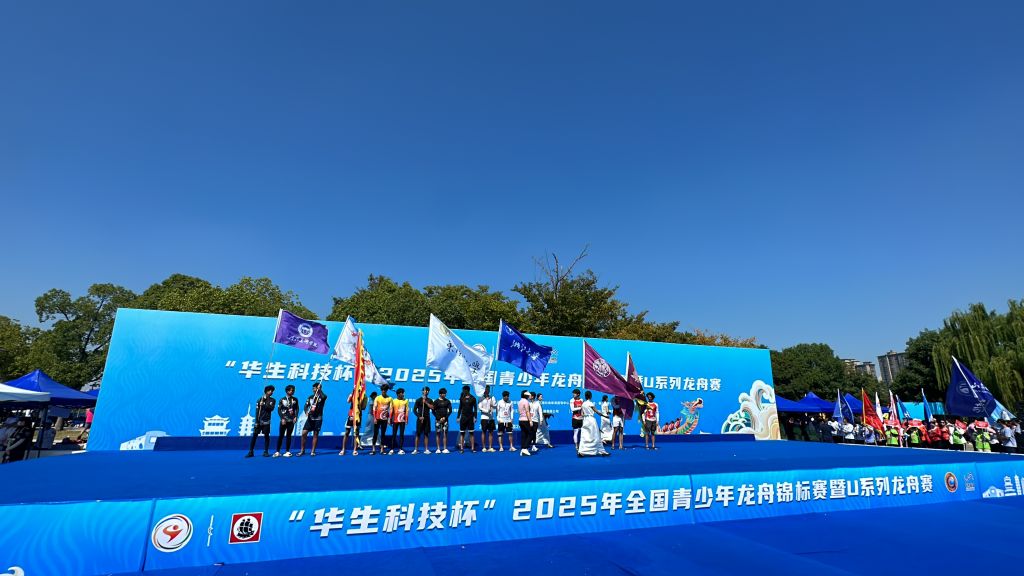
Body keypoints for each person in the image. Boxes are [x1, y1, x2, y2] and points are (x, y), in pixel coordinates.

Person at [246, 385, 276, 458]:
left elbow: (271, 409)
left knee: (266, 436)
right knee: (254, 436)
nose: (271, 392)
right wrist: (256, 421)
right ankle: (251, 451)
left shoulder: (272, 400)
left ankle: (266, 451)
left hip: (266, 421)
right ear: (266, 391)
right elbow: (257, 411)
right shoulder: (259, 400)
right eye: (270, 390)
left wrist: (264, 405)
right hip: (259, 421)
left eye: (272, 391)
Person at [297, 382, 326, 457]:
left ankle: (313, 451)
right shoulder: (310, 397)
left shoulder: (322, 397)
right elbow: (306, 406)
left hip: (318, 418)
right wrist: (306, 411)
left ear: (318, 388)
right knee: (304, 433)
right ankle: (302, 450)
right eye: (313, 388)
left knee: (315, 434)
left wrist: (320, 390)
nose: (313, 389)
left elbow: (324, 397)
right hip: (310, 418)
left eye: (314, 388)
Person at [578, 391, 610, 457]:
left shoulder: (583, 404)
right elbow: (597, 412)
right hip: (591, 420)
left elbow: (581, 414)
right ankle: (602, 451)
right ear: (590, 396)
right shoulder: (590, 403)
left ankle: (581, 452)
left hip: (585, 420)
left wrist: (586, 416)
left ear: (585, 396)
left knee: (585, 436)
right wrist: (605, 416)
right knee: (596, 435)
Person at [340, 387, 369, 456]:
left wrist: (360, 401)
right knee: (347, 432)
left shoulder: (365, 397)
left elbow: (363, 408)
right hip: (351, 415)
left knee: (356, 433)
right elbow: (348, 401)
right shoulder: (352, 394)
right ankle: (343, 449)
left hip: (358, 416)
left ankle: (355, 450)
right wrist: (352, 394)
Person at [274, 384, 299, 457]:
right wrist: (282, 418)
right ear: (287, 391)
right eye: (291, 390)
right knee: (281, 436)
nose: (292, 391)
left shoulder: (295, 399)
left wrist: (295, 417)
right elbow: (279, 410)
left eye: (293, 390)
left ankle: (287, 451)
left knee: (289, 436)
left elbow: (297, 408)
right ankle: (277, 451)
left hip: (291, 420)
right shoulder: (282, 399)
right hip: (284, 420)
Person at [371, 387, 392, 455]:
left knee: (383, 434)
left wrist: (389, 419)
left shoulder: (390, 398)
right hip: (377, 418)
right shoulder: (377, 398)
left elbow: (391, 409)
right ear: (381, 390)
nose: (383, 391)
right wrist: (374, 418)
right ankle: (373, 449)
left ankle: (382, 449)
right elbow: (374, 408)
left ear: (387, 390)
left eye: (385, 390)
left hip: (385, 419)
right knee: (375, 433)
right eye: (382, 390)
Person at [412, 387, 433, 454]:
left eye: (427, 391)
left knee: (426, 434)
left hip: (427, 419)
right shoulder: (418, 400)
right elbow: (414, 410)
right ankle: (416, 449)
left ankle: (426, 449)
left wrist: (426, 402)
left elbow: (432, 407)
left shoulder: (430, 400)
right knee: (418, 434)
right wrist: (419, 417)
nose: (426, 392)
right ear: (422, 391)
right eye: (424, 390)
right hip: (420, 419)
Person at [456, 385, 477, 453]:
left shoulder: (473, 398)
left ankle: (472, 448)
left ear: (467, 390)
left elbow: (475, 409)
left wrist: (475, 417)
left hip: (470, 417)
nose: (463, 391)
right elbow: (460, 408)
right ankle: (461, 448)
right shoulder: (462, 398)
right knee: (462, 433)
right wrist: (458, 417)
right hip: (463, 417)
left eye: (463, 390)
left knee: (471, 433)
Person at [390, 388, 409, 455]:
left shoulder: (406, 401)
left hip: (402, 420)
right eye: (402, 393)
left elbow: (407, 411)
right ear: (398, 394)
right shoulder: (394, 401)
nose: (403, 394)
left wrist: (406, 419)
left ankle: (400, 449)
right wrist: (390, 419)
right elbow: (391, 411)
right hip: (395, 420)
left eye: (403, 393)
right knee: (394, 434)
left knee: (401, 435)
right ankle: (392, 449)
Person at [433, 388, 452, 454]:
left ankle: (445, 448)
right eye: (444, 393)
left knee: (445, 434)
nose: (445, 394)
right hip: (438, 420)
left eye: (445, 393)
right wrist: (439, 418)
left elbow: (450, 411)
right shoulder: (436, 401)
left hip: (445, 420)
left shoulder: (447, 401)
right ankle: (438, 448)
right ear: (440, 394)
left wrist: (445, 418)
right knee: (438, 433)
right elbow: (433, 411)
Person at [478, 386, 497, 452]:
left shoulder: (492, 397)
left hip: (491, 418)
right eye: (486, 389)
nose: (487, 391)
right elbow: (480, 407)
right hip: (484, 418)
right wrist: (486, 411)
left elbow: (495, 406)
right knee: (484, 432)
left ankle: (490, 447)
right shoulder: (481, 398)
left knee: (491, 432)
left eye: (488, 389)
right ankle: (483, 447)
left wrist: (492, 405)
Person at [517, 391, 534, 456]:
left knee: (524, 434)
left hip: (520, 420)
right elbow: (527, 411)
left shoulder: (519, 402)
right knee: (531, 434)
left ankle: (523, 449)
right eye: (528, 395)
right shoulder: (526, 402)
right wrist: (530, 421)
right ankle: (525, 448)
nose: (529, 396)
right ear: (526, 395)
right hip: (526, 420)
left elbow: (519, 411)